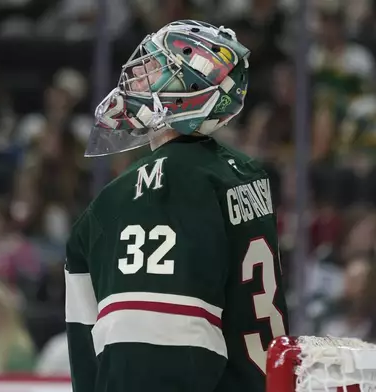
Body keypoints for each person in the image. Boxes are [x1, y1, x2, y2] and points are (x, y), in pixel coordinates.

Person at [65, 20, 288, 392]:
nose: (136, 77)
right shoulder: (241, 172)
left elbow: (153, 349)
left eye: (153, 68)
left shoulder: (152, 188)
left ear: (186, 89)